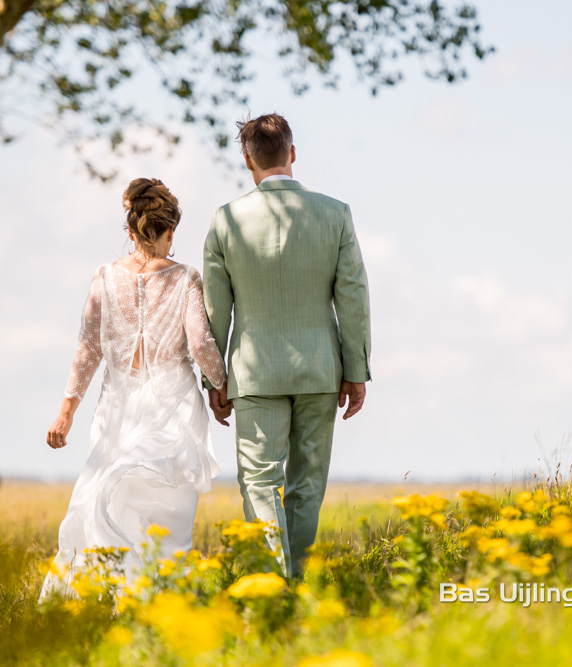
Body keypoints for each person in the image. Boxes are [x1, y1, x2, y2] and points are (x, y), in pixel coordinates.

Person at [202, 113, 372, 579]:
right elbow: (353, 296)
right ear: (292, 154)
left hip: (254, 373)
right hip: (321, 369)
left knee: (258, 482)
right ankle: (296, 585)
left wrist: (213, 378)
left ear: (247, 160)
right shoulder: (335, 213)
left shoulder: (225, 220)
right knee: (306, 485)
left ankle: (270, 583)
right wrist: (356, 370)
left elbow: (215, 310)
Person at [40, 178, 227, 599]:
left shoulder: (104, 277)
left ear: (129, 230)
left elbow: (88, 349)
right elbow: (199, 343)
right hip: (173, 407)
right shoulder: (185, 279)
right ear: (170, 232)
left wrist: (66, 411)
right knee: (165, 514)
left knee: (107, 496)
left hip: (118, 407)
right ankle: (158, 601)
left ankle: (104, 594)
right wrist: (222, 385)